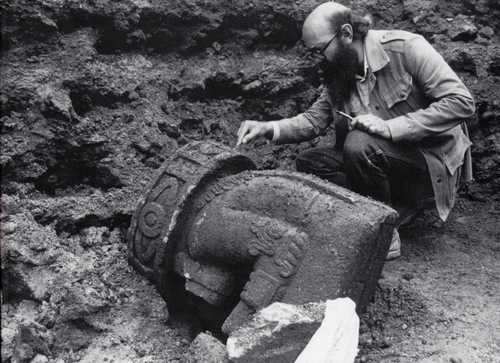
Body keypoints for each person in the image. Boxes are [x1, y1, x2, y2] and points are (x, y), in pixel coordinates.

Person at [236, 2, 475, 259]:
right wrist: (268, 127)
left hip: (429, 164)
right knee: (312, 163)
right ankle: (389, 210)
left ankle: (385, 234)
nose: (319, 59)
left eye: (320, 50)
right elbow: (314, 120)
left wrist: (390, 127)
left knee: (359, 144)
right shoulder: (342, 70)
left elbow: (461, 102)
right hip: (385, 160)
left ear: (346, 34)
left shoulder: (406, 48)